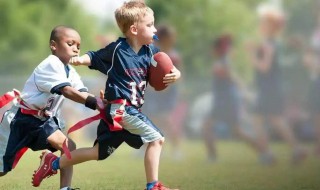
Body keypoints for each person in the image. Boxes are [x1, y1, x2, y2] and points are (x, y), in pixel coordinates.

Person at [32, 1, 181, 190]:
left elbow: (169, 67)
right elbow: (94, 56)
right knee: (157, 138)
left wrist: (176, 74)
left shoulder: (151, 51)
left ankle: (51, 163)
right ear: (134, 29)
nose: (155, 29)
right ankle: (153, 186)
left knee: (98, 152)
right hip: (121, 110)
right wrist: (79, 60)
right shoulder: (118, 49)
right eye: (150, 25)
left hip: (126, 113)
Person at [0, 25, 104, 190]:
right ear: (53, 45)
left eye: (78, 46)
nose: (76, 48)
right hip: (23, 120)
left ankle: (65, 187)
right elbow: (67, 91)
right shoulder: (51, 63)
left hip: (43, 121)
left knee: (68, 147)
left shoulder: (69, 70)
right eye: (70, 43)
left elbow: (81, 92)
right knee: (3, 169)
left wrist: (101, 101)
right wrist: (96, 103)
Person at [247, 4, 307, 165]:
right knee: (276, 119)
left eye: (263, 23)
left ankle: (267, 154)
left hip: (269, 88)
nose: (260, 26)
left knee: (257, 119)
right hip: (273, 87)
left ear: (271, 27)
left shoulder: (269, 44)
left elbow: (264, 67)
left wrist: (252, 55)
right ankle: (296, 149)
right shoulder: (273, 43)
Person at [202, 34, 265, 162]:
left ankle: (212, 157)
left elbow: (233, 78)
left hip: (226, 101)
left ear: (218, 49)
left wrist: (245, 92)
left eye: (214, 48)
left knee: (207, 126)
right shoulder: (222, 61)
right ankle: (264, 152)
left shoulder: (223, 62)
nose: (212, 51)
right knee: (237, 131)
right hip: (225, 100)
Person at [143, 24, 185, 160]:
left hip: (168, 92)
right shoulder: (153, 53)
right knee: (150, 120)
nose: (173, 39)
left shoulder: (174, 56)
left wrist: (167, 86)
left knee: (166, 120)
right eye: (171, 36)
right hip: (153, 91)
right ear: (164, 38)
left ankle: (176, 149)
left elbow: (178, 75)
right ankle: (147, 147)